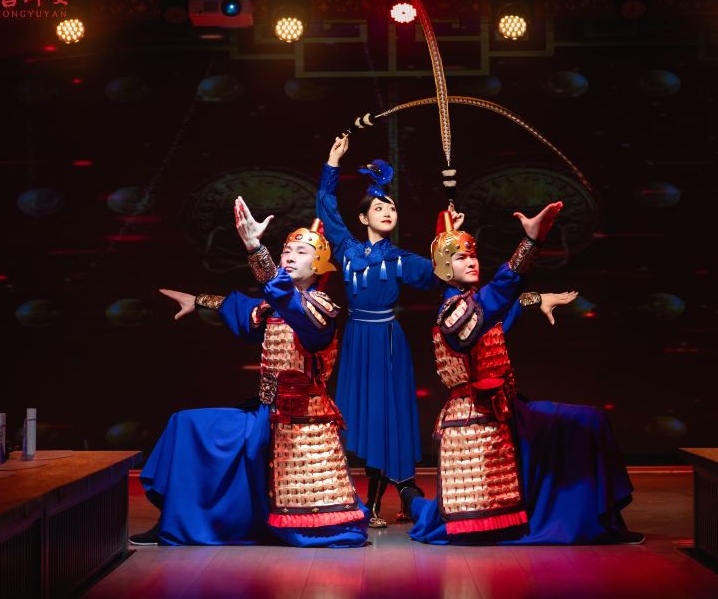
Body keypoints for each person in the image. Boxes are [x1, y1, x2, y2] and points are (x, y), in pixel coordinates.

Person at [130, 197, 367, 547]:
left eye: (300, 252)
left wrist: (256, 247)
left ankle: (197, 522)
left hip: (299, 424)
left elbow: (288, 303)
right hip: (264, 415)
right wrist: (198, 300)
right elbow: (243, 308)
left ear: (318, 264)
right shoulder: (277, 306)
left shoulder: (319, 309)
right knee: (187, 425)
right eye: (286, 251)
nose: (289, 257)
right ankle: (176, 521)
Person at [402, 204, 643, 545]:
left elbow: (503, 306)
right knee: (465, 524)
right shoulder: (453, 314)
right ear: (443, 268)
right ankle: (412, 500)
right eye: (460, 258)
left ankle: (599, 522)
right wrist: (530, 243)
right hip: (477, 420)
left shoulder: (475, 306)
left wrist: (537, 298)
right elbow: (498, 297)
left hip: (510, 411)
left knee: (590, 422)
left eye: (473, 255)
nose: (471, 262)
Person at [317, 133, 468, 526]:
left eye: (392, 207)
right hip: (357, 341)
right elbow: (326, 205)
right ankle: (368, 498)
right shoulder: (347, 249)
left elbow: (442, 273)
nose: (387, 211)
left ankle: (380, 502)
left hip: (386, 343)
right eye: (379, 207)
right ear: (363, 218)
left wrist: (450, 238)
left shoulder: (401, 259)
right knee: (359, 418)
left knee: (385, 417)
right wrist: (332, 164)